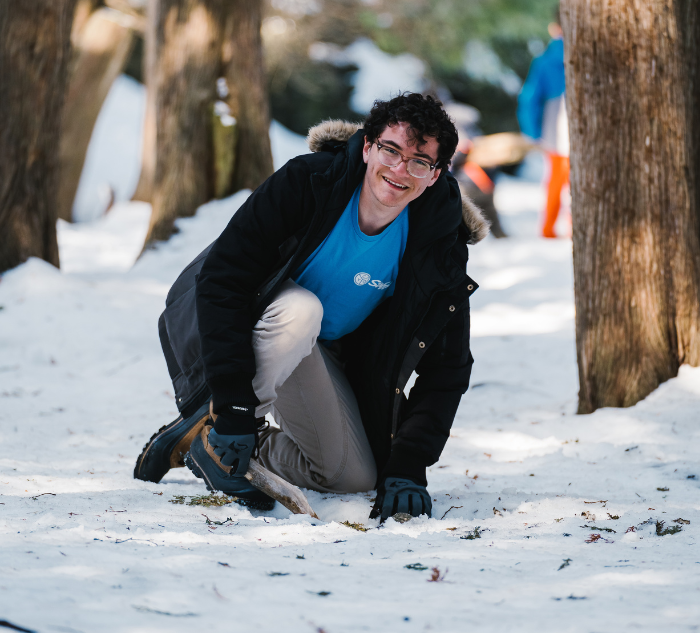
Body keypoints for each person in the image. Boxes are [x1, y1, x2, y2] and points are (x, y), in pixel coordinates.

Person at [134, 93, 488, 521]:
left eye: (418, 162)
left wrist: (409, 466)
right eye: (391, 151)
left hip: (321, 352)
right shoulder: (309, 182)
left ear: (435, 175)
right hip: (242, 327)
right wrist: (234, 408)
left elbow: (447, 365)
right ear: (368, 146)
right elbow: (222, 280)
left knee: (352, 475)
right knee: (303, 310)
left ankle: (203, 440)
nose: (399, 170)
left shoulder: (437, 242)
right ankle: (227, 435)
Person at [517, 14, 569, 238]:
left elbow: (530, 98)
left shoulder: (545, 59)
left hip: (555, 128)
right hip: (564, 125)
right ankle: (567, 226)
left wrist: (532, 131)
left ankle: (548, 228)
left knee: (556, 178)